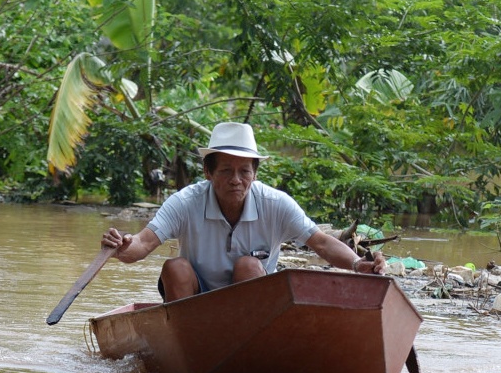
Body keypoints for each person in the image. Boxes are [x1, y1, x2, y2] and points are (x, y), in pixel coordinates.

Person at [100, 122, 386, 300]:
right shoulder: (185, 202)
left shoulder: (275, 204)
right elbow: (142, 244)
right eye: (225, 170)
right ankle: (184, 342)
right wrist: (122, 246)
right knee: (175, 267)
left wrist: (357, 265)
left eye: (244, 171)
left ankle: (251, 339)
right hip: (194, 301)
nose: (236, 180)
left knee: (248, 265)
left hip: (252, 306)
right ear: (208, 172)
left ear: (254, 174)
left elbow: (320, 243)